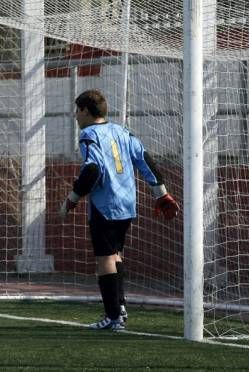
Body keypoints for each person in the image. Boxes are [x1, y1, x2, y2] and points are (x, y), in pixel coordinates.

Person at [60, 89, 179, 330]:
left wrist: (71, 200)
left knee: (105, 259)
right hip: (126, 205)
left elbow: (92, 170)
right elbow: (146, 161)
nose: (75, 116)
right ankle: (120, 309)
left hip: (104, 206)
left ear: (85, 111)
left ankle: (113, 317)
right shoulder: (122, 131)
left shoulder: (89, 135)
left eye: (77, 110)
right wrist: (162, 193)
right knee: (115, 255)